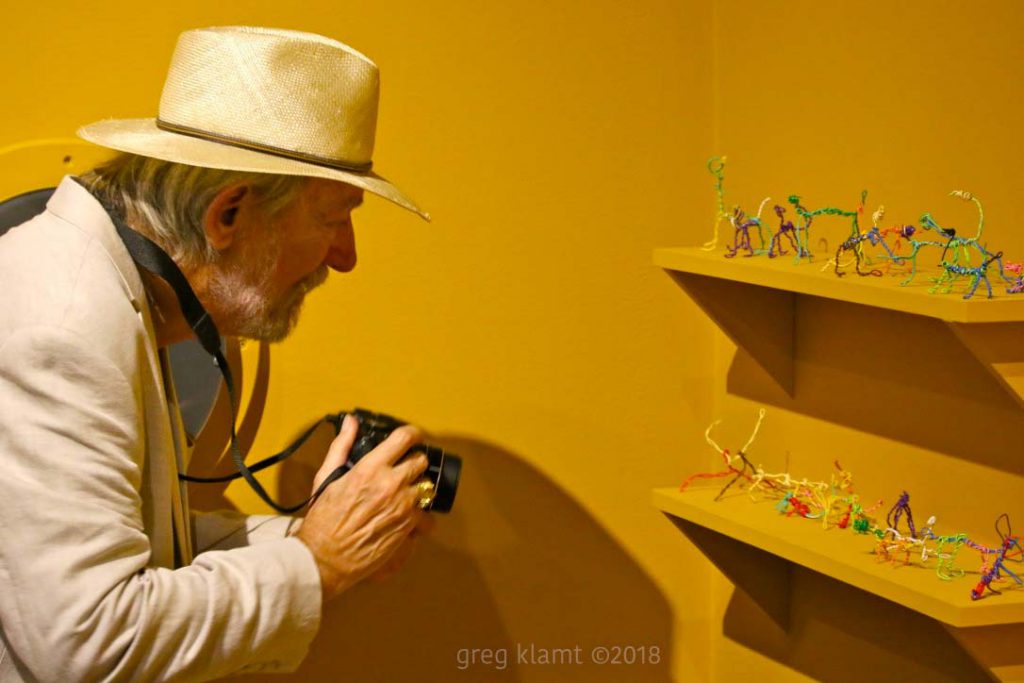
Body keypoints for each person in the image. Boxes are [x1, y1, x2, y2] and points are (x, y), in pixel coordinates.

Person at [0, 26, 434, 680]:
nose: (346, 257)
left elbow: (135, 548)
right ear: (228, 213)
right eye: (334, 216)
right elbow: (86, 645)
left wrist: (322, 536)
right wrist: (315, 566)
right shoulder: (64, 323)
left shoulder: (102, 288)